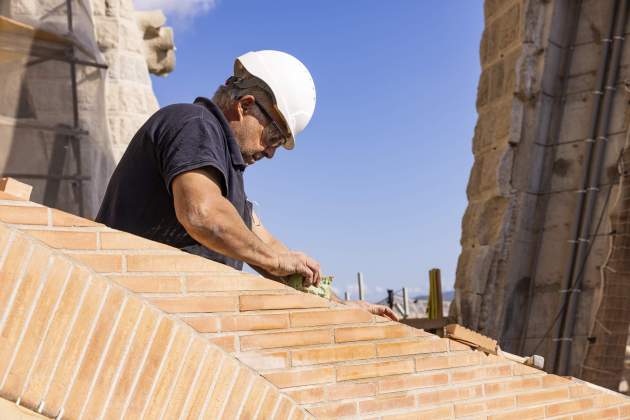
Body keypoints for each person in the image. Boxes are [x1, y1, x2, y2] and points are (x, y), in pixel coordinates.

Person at [96, 50, 397, 321]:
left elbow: (265, 244)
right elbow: (203, 213)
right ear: (246, 105)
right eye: (274, 137)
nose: (270, 152)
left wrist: (338, 304)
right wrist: (275, 260)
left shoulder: (225, 175)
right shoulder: (194, 124)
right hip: (128, 315)